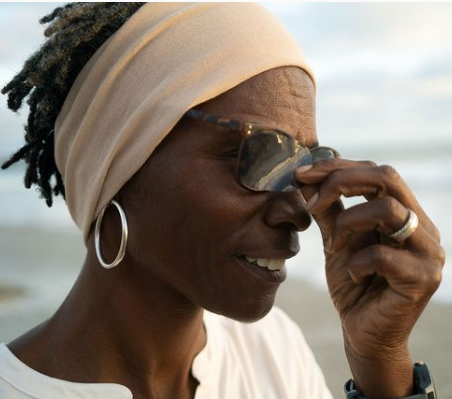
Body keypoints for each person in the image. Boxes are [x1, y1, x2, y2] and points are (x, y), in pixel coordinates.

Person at [0, 3, 444, 399]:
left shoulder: (271, 351)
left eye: (308, 164)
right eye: (256, 153)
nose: (300, 210)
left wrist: (382, 364)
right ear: (120, 165)